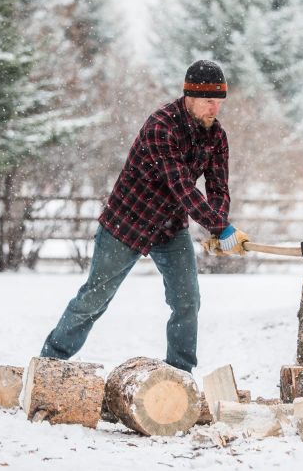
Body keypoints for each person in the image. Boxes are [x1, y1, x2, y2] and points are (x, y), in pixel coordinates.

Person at [40, 60, 248, 373]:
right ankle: (49, 364)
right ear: (189, 97)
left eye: (219, 102)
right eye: (208, 101)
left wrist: (219, 228)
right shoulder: (161, 126)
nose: (214, 109)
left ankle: (179, 375)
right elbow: (179, 185)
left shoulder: (216, 136)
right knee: (94, 300)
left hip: (169, 228)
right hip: (127, 223)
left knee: (187, 301)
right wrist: (220, 226)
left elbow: (218, 187)